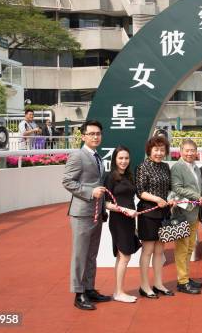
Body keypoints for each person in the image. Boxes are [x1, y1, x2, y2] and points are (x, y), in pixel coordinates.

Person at [62, 120, 111, 310]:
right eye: (91, 134)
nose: (95, 136)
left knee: (92, 254)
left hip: (97, 213)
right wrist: (90, 192)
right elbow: (67, 181)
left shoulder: (97, 156)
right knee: (80, 255)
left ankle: (89, 288)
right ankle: (78, 293)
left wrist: (103, 209)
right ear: (83, 136)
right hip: (82, 213)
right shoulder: (78, 156)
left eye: (98, 133)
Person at [170, 139, 202, 294]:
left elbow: (199, 187)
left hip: (195, 213)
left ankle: (186, 277)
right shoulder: (178, 167)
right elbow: (177, 188)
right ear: (181, 151)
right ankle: (182, 282)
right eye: (187, 150)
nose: (190, 153)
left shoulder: (195, 167)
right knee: (182, 248)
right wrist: (197, 196)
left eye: (192, 150)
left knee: (190, 247)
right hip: (183, 213)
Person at [135, 135, 174, 299]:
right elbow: (140, 191)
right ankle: (144, 286)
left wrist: (171, 197)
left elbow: (170, 187)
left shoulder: (166, 167)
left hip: (164, 214)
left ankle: (158, 284)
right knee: (148, 250)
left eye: (162, 150)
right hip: (148, 213)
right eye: (156, 149)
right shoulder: (142, 167)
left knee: (160, 251)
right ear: (149, 150)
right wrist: (157, 199)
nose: (159, 153)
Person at [104, 146, 141, 303]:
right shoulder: (110, 177)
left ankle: (118, 291)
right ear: (114, 160)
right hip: (118, 221)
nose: (124, 161)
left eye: (126, 158)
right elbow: (105, 203)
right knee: (125, 256)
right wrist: (124, 210)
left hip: (130, 220)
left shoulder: (129, 176)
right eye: (120, 158)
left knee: (123, 256)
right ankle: (119, 292)